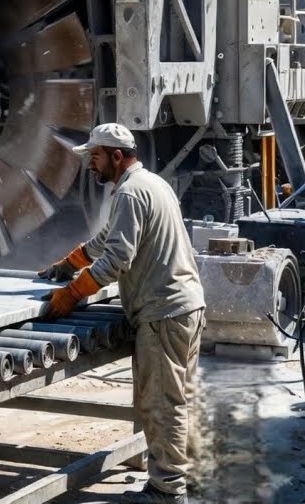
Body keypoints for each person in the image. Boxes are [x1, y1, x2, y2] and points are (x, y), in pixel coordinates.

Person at [38, 123, 206, 504]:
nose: (90, 165)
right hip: (185, 307)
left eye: (95, 157)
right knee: (179, 398)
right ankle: (185, 478)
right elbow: (109, 238)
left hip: (163, 313)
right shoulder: (150, 184)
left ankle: (167, 491)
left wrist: (72, 293)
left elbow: (117, 258)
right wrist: (70, 263)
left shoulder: (130, 193)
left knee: (161, 403)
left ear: (117, 156)